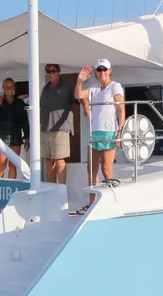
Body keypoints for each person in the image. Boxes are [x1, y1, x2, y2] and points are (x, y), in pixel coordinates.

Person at [74, 58, 125, 210]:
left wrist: (119, 133)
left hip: (109, 132)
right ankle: (92, 204)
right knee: (92, 170)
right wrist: (79, 81)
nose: (102, 72)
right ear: (96, 73)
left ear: (110, 71)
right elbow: (78, 95)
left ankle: (112, 204)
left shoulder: (115, 86)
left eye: (104, 69)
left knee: (106, 169)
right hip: (94, 132)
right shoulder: (94, 87)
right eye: (99, 70)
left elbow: (121, 110)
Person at [40, 63, 89, 184]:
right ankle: (52, 189)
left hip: (61, 129)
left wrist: (86, 108)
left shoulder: (68, 86)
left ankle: (61, 190)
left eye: (53, 71)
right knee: (48, 160)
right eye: (48, 71)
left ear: (59, 72)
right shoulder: (45, 89)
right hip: (45, 129)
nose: (51, 73)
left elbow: (80, 96)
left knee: (59, 161)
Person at [0, 78, 30, 179]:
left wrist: (27, 137)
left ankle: (11, 187)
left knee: (13, 165)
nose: (9, 88)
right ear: (3, 88)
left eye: (11, 86)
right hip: (0, 136)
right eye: (6, 86)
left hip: (15, 135)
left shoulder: (20, 102)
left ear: (14, 88)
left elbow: (24, 121)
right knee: (2, 165)